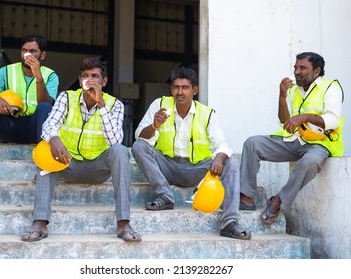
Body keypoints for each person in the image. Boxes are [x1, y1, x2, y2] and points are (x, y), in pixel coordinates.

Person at [20, 57, 141, 242]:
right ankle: (40, 221)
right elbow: (49, 125)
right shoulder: (67, 97)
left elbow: (115, 140)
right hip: (67, 163)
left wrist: (101, 104)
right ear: (79, 80)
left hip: (98, 168)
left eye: (94, 76)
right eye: (85, 76)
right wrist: (54, 138)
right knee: (46, 148)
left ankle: (123, 222)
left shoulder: (115, 105)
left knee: (120, 151)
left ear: (104, 81)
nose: (89, 80)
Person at [131, 66, 251, 240]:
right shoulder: (160, 105)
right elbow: (139, 135)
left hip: (196, 170)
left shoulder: (206, 113)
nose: (179, 92)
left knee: (230, 162)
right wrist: (154, 125)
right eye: (176, 87)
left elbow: (222, 144)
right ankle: (165, 195)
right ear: (171, 89)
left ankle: (229, 222)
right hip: (167, 166)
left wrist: (219, 157)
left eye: (185, 87)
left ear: (194, 90)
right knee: (138, 146)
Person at [239, 52, 344, 224]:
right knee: (252, 143)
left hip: (320, 143)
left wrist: (304, 117)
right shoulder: (294, 89)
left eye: (302, 68)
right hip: (294, 140)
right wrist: (282, 96)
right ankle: (246, 198)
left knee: (310, 162)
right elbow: (285, 121)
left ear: (316, 71)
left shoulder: (331, 87)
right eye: (295, 67)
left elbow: (332, 121)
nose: (296, 71)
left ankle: (278, 200)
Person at [0, 34, 59, 182]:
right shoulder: (6, 71)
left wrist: (38, 77)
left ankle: (43, 169)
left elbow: (47, 102)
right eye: (24, 50)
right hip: (10, 125)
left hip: (35, 128)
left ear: (43, 54)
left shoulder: (50, 75)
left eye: (33, 51)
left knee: (45, 108)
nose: (27, 54)